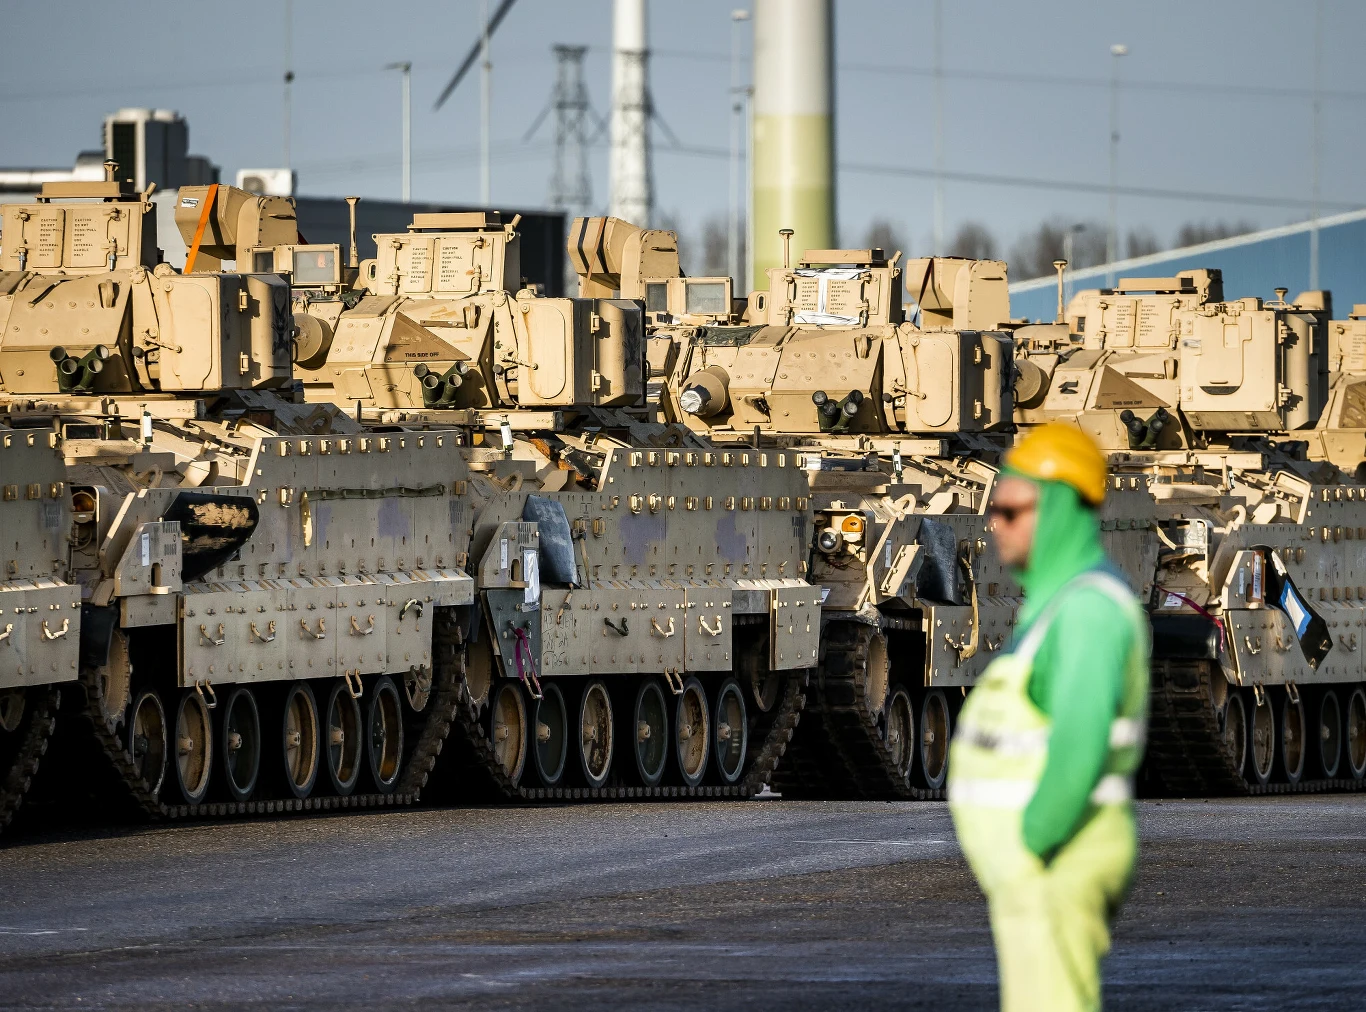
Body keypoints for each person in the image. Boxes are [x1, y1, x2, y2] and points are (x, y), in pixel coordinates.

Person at [947, 422, 1149, 1012]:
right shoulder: (1060, 604)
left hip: (1057, 856)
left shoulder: (1086, 612)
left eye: (1010, 510)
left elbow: (1080, 743)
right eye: (993, 508)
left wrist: (1030, 844)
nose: (994, 523)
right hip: (1041, 863)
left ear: (1056, 507)